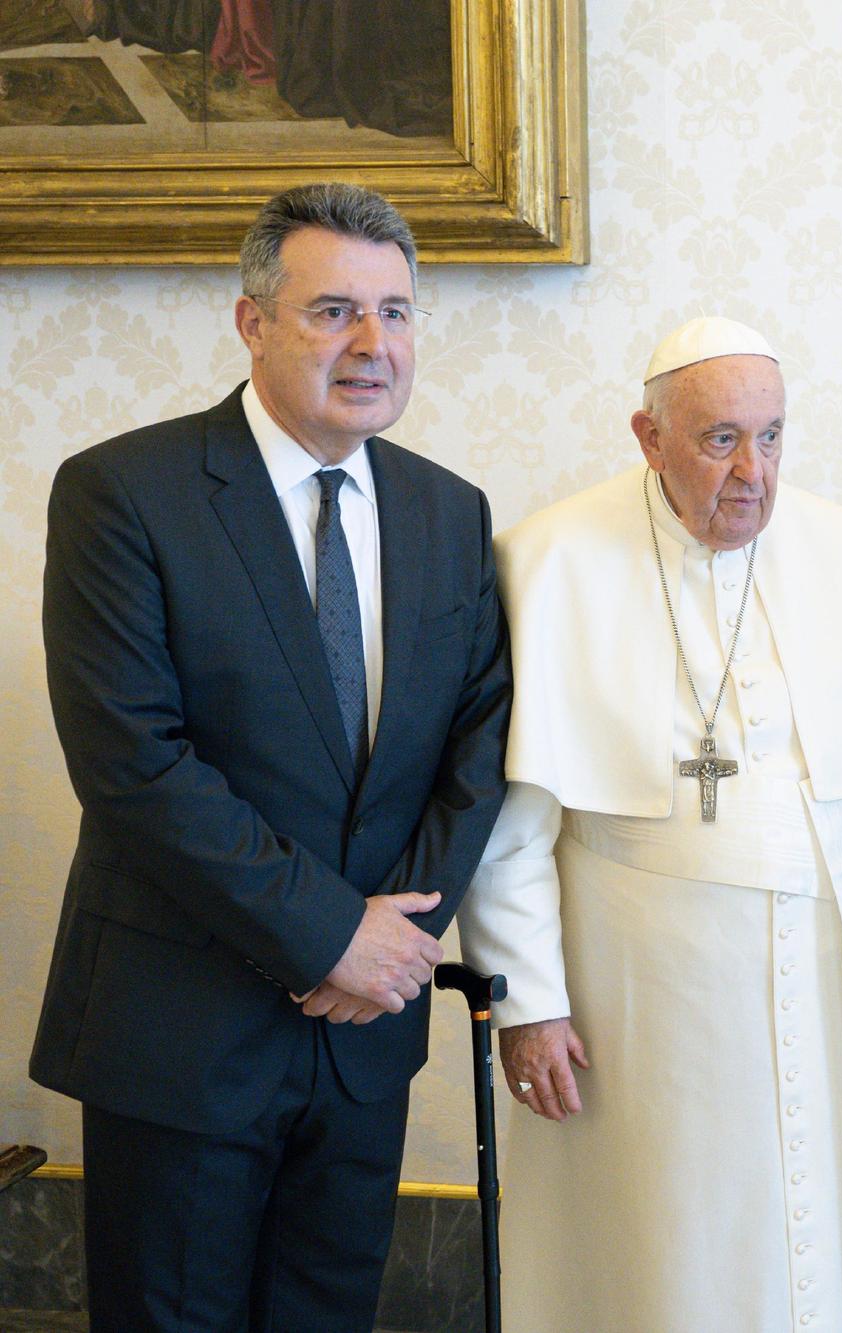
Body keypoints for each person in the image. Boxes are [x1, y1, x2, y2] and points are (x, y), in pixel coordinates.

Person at [31, 181, 512, 1330]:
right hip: (182, 1028)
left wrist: (395, 947)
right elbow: (134, 761)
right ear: (253, 323)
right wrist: (330, 933)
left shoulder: (449, 511)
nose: (371, 345)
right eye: (333, 310)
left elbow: (480, 739)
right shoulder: (124, 493)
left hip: (364, 1039)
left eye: (396, 314)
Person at [457, 316, 842, 1333]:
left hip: (837, 968)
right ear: (647, 437)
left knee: (837, 1223)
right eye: (720, 438)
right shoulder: (546, 557)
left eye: (771, 436)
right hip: (641, 995)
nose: (753, 473)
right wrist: (529, 1002)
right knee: (672, 1243)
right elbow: (513, 823)